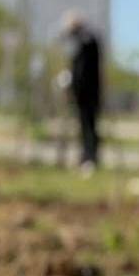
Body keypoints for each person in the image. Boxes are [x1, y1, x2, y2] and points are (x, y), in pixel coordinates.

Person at [60, 11, 102, 171]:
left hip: (89, 94)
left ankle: (90, 158)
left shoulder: (87, 40)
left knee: (89, 127)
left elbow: (83, 71)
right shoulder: (80, 42)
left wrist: (74, 82)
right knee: (83, 126)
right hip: (81, 94)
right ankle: (85, 156)